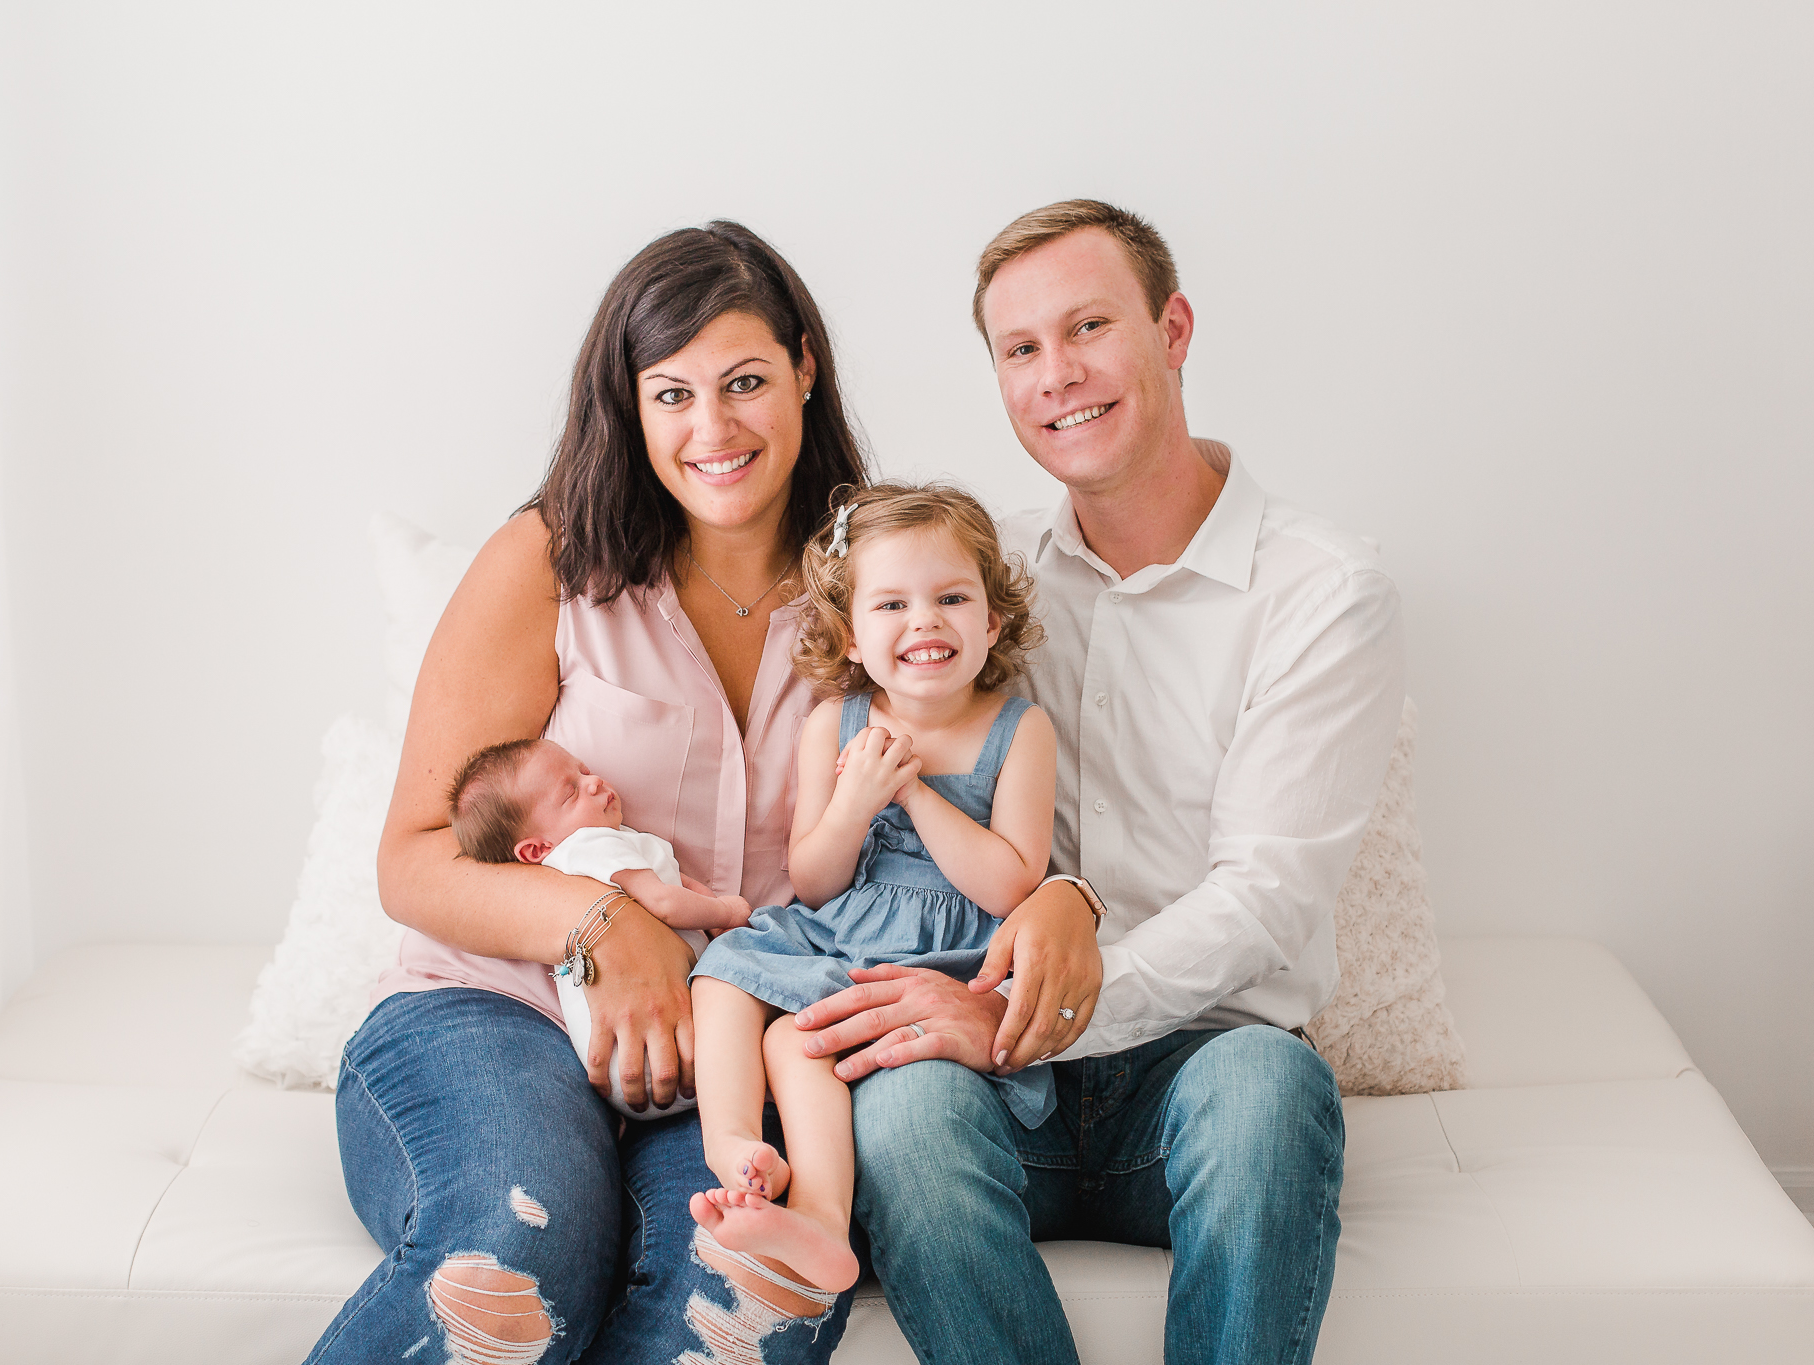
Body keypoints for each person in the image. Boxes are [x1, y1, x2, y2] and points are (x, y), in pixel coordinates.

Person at [792, 199, 1407, 1365]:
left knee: (1270, 1099)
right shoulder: (984, 577)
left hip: (1199, 1058)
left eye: (1088, 327)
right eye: (1020, 350)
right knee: (904, 1113)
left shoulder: (1321, 593)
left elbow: (1267, 897)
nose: (1057, 374)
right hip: (990, 1063)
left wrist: (1019, 1007)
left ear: (1172, 330)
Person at [304, 221, 878, 1365]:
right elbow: (412, 858)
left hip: (728, 1057)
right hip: (493, 1015)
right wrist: (595, 920)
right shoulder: (549, 558)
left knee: (742, 1297)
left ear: (805, 367)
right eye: (670, 395)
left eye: (745, 382)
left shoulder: (881, 581)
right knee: (519, 1248)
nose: (710, 429)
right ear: (629, 405)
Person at [684, 482, 1058, 1297]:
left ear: (991, 622)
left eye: (951, 597)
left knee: (800, 1038)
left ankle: (819, 1213)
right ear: (853, 636)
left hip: (949, 954)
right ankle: (744, 1154)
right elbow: (814, 879)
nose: (923, 621)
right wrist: (857, 799)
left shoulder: (1016, 727)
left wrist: (916, 793)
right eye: (891, 604)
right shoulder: (836, 721)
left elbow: (1013, 881)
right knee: (730, 982)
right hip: (844, 932)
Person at [443, 737, 752, 1116]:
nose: (594, 782)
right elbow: (666, 902)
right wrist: (726, 912)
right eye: (570, 793)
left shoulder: (584, 857)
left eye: (584, 771)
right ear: (536, 849)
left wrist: (703, 904)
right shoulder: (592, 844)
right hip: (658, 1049)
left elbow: (676, 883)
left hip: (628, 1068)